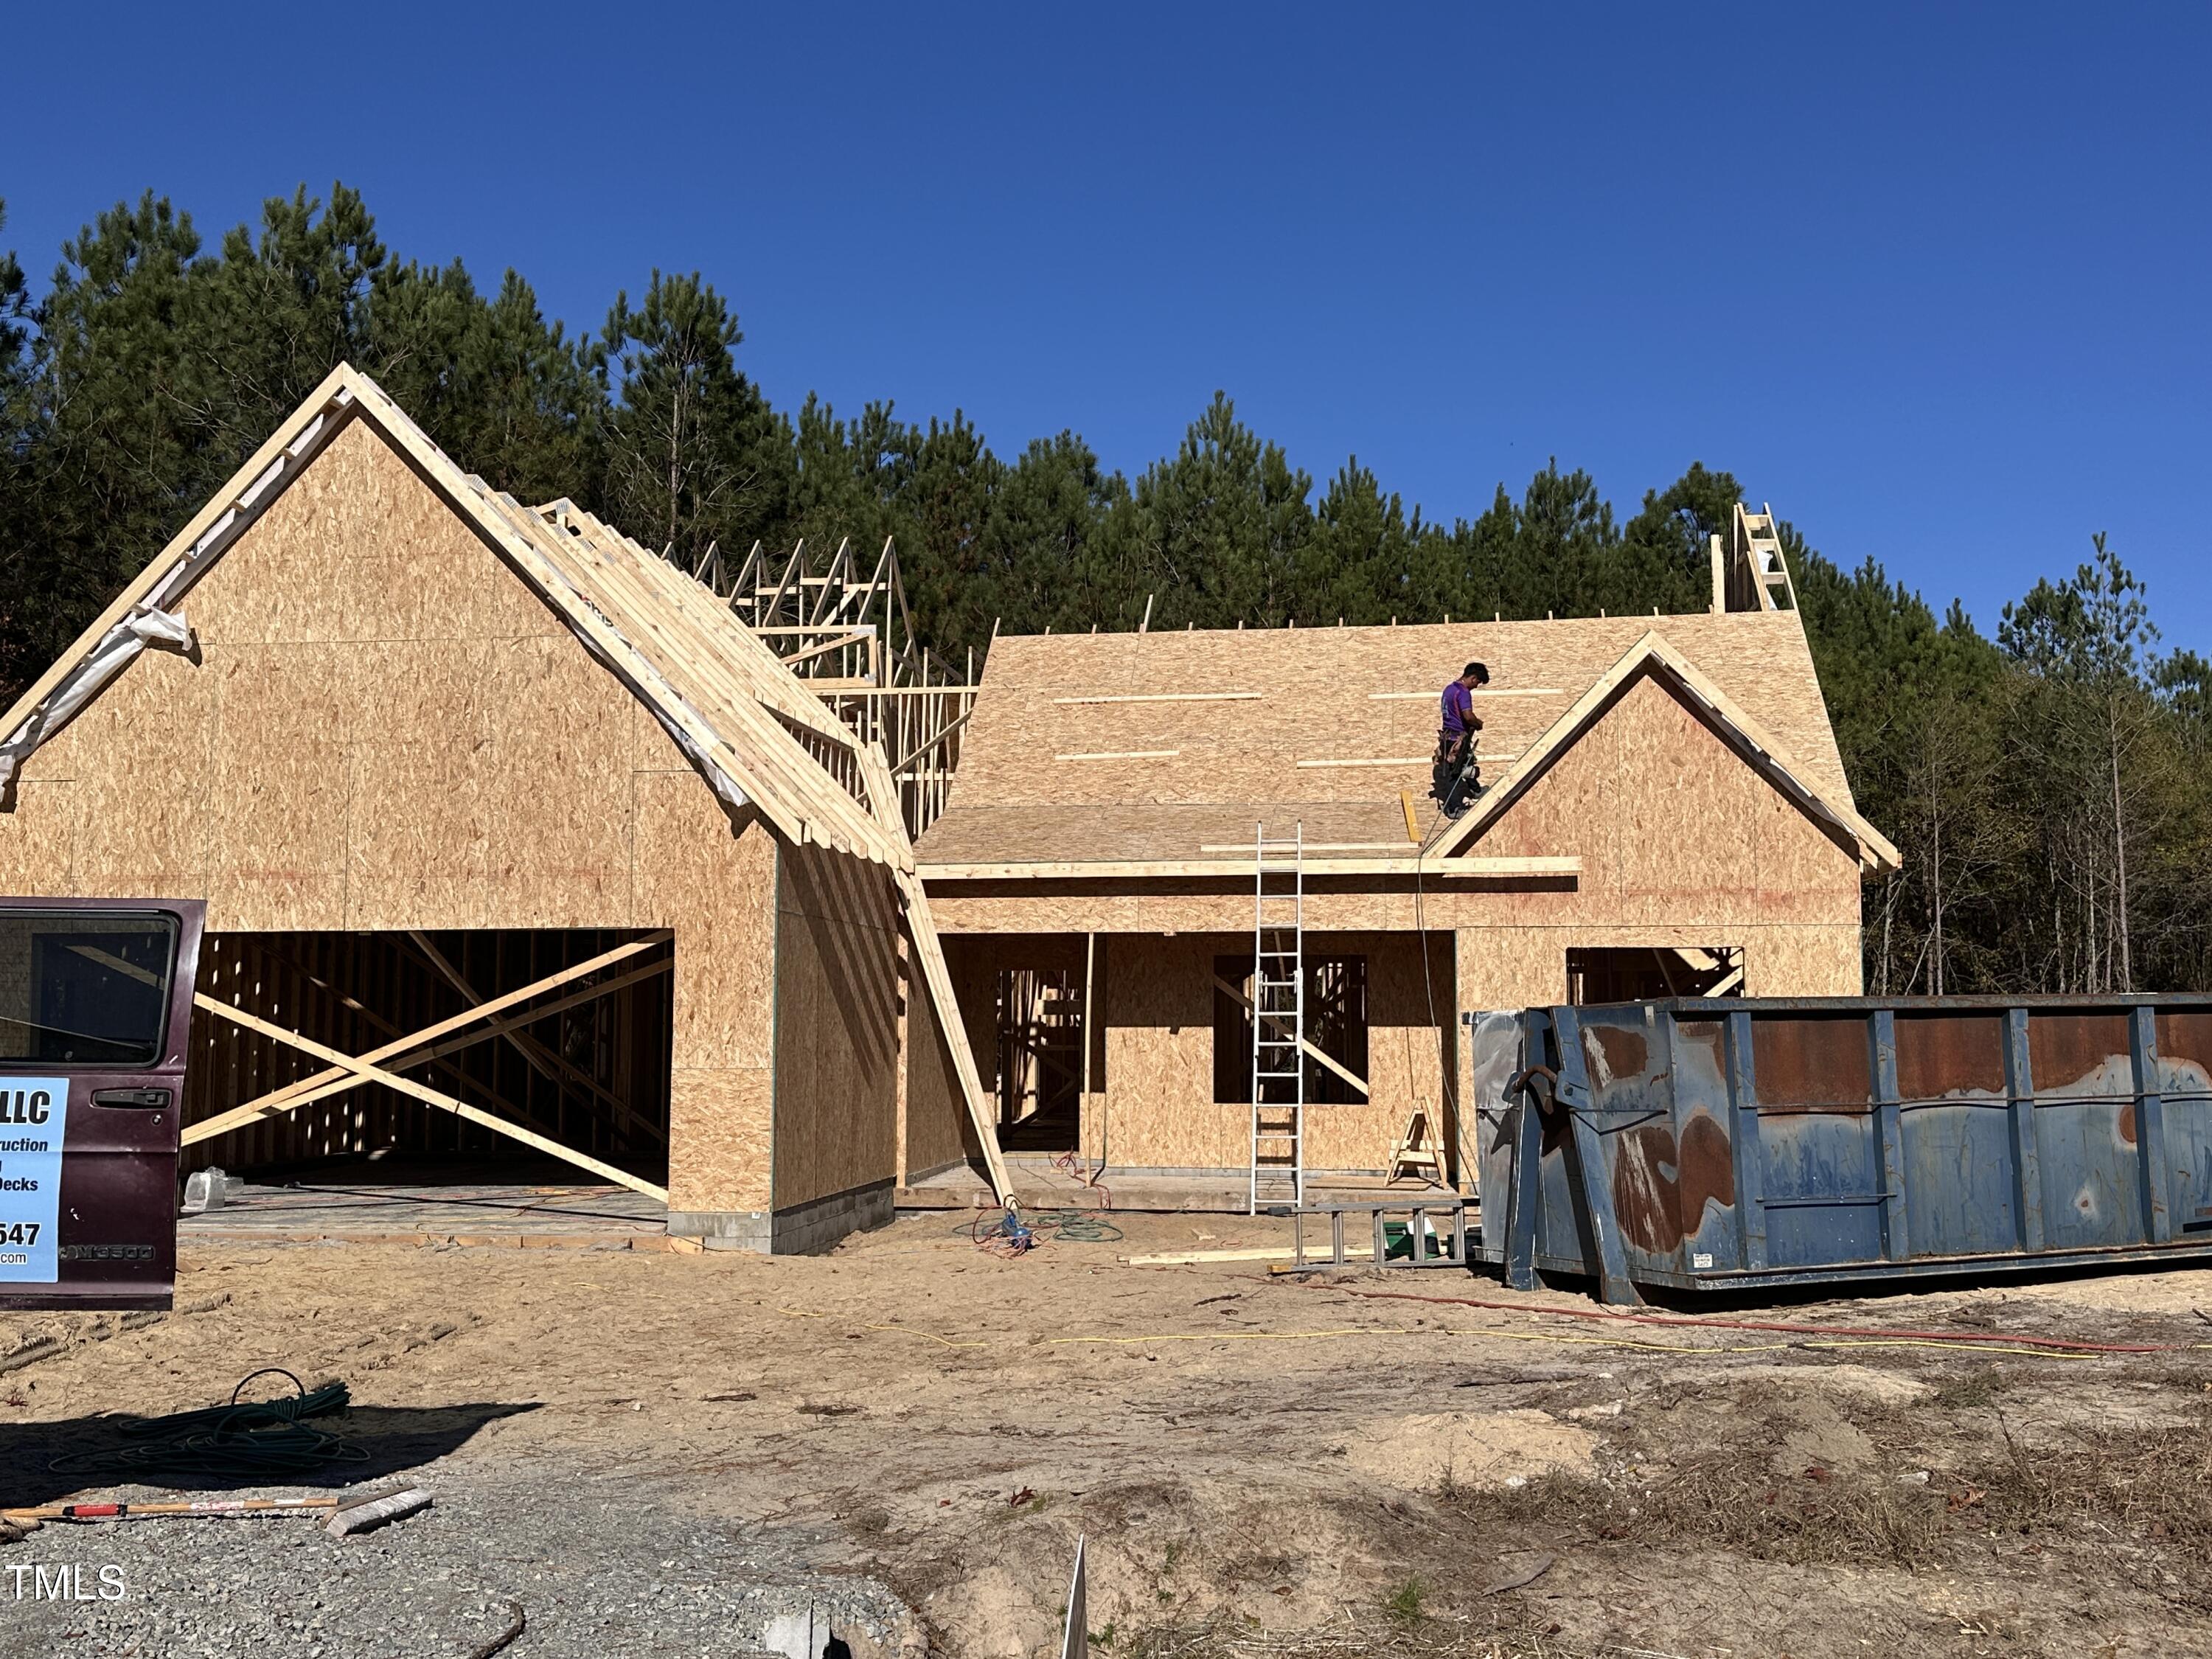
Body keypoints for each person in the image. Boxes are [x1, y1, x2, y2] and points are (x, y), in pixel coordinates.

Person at [1431, 661, 1489, 817]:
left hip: (1448, 737)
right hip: (1457, 739)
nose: (1476, 686)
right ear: (1473, 677)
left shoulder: (1449, 689)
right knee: (1454, 773)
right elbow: (1468, 716)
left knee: (1468, 761)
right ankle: (1453, 808)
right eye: (1478, 682)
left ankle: (1475, 790)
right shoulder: (1463, 693)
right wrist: (1478, 724)